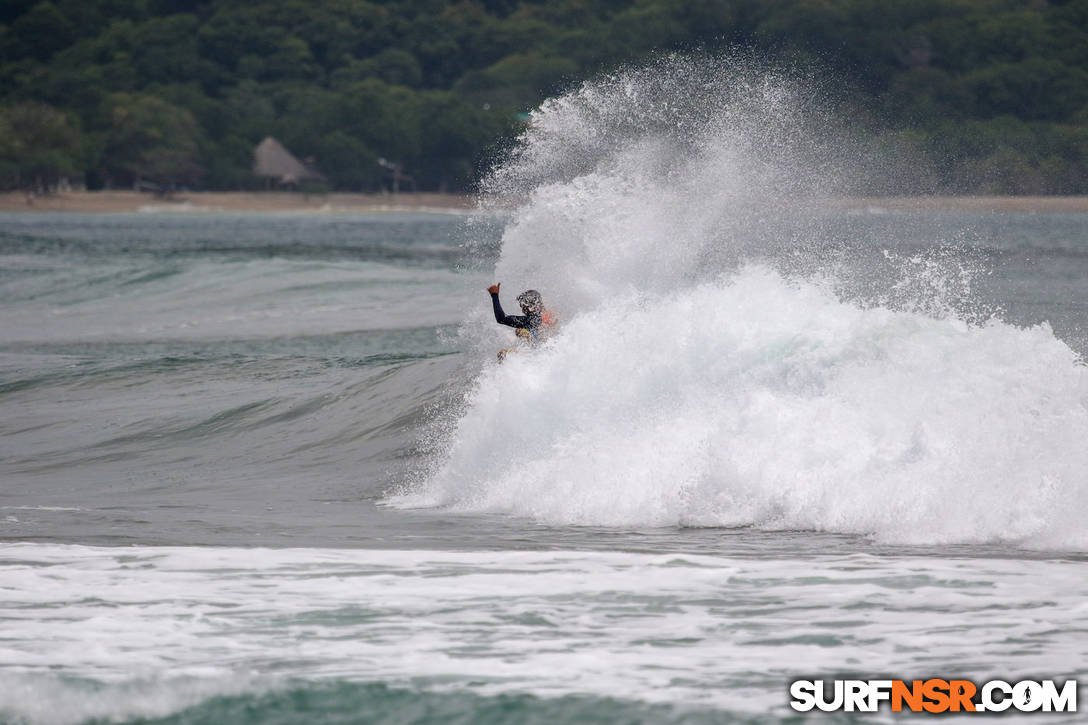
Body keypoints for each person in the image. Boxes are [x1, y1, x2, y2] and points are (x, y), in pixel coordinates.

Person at [487, 282, 557, 359]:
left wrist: (494, 295)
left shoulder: (531, 320)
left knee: (502, 354)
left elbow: (501, 319)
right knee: (520, 332)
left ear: (532, 306)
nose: (522, 310)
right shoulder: (545, 316)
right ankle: (526, 336)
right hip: (543, 354)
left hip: (535, 357)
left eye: (523, 307)